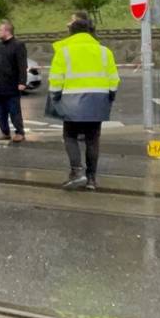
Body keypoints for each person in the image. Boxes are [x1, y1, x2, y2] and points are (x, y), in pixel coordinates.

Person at [48, 17, 119, 191]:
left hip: (72, 100)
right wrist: (110, 95)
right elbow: (114, 79)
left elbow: (56, 79)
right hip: (98, 100)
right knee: (93, 139)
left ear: (71, 33)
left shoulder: (64, 51)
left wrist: (55, 96)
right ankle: (91, 179)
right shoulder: (104, 51)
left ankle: (76, 172)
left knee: (70, 136)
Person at [0, 20, 27, 143]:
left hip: (12, 85)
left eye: (0, 30)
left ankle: (20, 132)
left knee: (14, 111)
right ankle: (5, 132)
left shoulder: (18, 45)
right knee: (0, 112)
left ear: (7, 31)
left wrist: (22, 82)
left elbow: (22, 65)